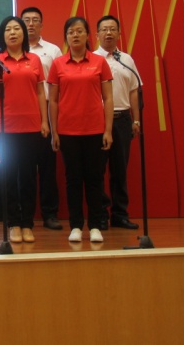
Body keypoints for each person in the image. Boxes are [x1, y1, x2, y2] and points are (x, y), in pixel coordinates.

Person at [48, 17, 114, 244]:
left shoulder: (99, 62)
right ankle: (76, 225)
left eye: (79, 31)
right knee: (73, 179)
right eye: (70, 32)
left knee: (95, 179)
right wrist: (55, 132)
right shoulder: (58, 64)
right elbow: (53, 101)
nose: (75, 35)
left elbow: (108, 98)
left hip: (95, 130)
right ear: (66, 37)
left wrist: (108, 130)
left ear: (88, 35)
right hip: (68, 131)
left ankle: (95, 225)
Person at [0, 16, 49, 243]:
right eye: (8, 30)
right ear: (3, 36)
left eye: (16, 29)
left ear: (23, 34)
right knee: (9, 176)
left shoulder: (35, 59)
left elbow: (40, 92)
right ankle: (13, 223)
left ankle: (27, 223)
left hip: (31, 126)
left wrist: (44, 121)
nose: (12, 33)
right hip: (5, 128)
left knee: (28, 177)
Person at [95, 14, 141, 230]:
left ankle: (120, 214)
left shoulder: (127, 60)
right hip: (97, 120)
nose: (108, 33)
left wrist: (136, 119)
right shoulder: (92, 58)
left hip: (122, 119)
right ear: (97, 35)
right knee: (97, 170)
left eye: (112, 29)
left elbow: (134, 90)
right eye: (104, 29)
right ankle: (100, 215)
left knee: (120, 170)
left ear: (119, 33)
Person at [20, 6, 64, 230]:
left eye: (35, 20)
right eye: (26, 20)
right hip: (22, 112)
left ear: (42, 25)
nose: (30, 24)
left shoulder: (53, 50)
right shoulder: (13, 50)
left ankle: (49, 213)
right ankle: (23, 216)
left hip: (46, 107)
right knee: (24, 167)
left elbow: (60, 81)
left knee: (48, 166)